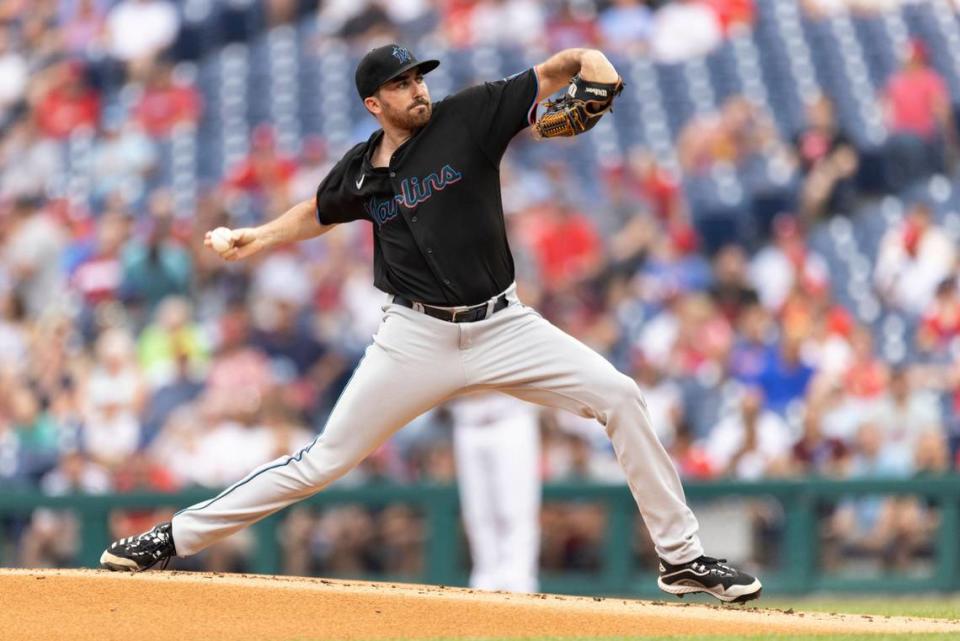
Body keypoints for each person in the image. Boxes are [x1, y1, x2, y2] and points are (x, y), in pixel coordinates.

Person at [99, 43, 762, 603]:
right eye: (400, 83)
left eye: (417, 77)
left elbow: (563, 67)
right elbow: (319, 209)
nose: (416, 89)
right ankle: (170, 537)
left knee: (619, 394)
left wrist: (597, 66)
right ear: (373, 104)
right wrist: (258, 237)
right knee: (322, 460)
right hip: (414, 336)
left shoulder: (468, 115)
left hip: (506, 325)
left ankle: (681, 557)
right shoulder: (361, 169)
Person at [450, 393, 541, 593]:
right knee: (476, 511)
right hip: (466, 420)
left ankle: (519, 578)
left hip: (510, 416)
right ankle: (485, 576)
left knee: (516, 508)